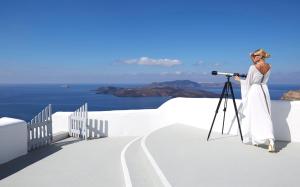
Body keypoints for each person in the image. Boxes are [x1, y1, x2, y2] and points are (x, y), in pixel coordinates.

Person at [234, 49, 275, 152]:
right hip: (264, 91)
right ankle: (270, 140)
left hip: (255, 91)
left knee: (254, 115)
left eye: (255, 55)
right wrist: (252, 57)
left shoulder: (253, 67)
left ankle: (257, 139)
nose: (254, 57)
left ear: (260, 56)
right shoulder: (269, 66)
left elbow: (248, 82)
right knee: (266, 114)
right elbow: (260, 73)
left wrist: (240, 81)